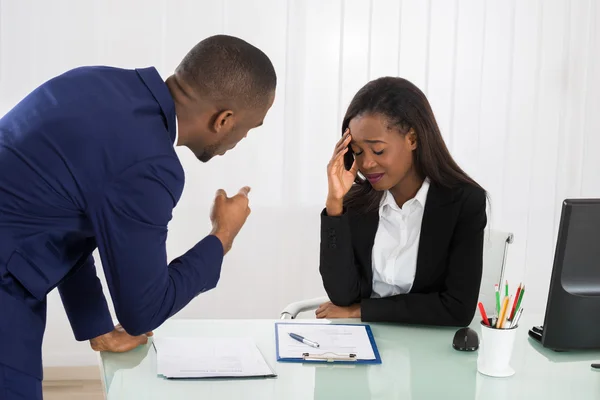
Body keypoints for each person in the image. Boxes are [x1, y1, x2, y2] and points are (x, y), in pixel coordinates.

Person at [0, 35, 276, 399]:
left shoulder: (93, 81)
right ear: (224, 119)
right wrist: (221, 236)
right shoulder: (148, 164)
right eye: (249, 128)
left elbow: (64, 221)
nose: (241, 140)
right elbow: (143, 311)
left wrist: (95, 324)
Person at [316, 77, 487, 327]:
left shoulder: (463, 202)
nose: (366, 164)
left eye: (378, 150)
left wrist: (361, 311)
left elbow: (457, 309)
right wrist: (334, 204)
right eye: (358, 151)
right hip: (363, 343)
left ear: (413, 139)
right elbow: (342, 296)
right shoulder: (356, 202)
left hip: (427, 351)